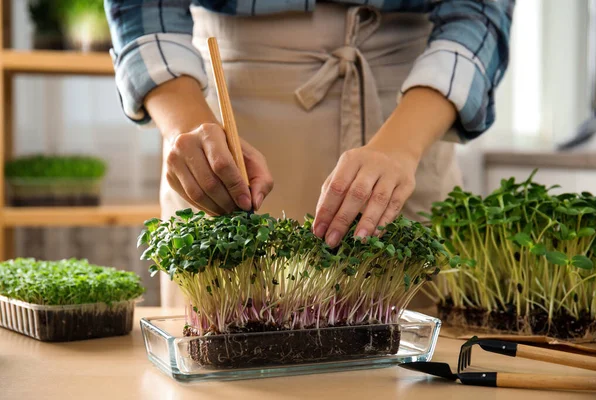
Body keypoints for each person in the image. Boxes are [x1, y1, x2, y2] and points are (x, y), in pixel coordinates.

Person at [105, 0, 514, 307]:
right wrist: (187, 122)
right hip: (226, 101)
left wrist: (402, 147)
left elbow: (478, 13)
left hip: (415, 110)